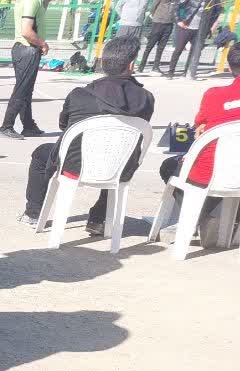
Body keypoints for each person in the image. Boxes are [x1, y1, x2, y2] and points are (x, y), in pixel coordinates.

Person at [17, 36, 154, 234]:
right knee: (120, 153)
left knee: (41, 154)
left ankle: (33, 212)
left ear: (103, 62)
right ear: (131, 65)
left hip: (74, 165)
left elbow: (64, 126)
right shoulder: (146, 99)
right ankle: (99, 219)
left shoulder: (79, 94)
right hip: (119, 167)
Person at [158, 42, 240, 247]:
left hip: (214, 173)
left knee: (170, 166)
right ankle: (227, 221)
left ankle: (200, 216)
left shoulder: (214, 95)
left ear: (230, 67)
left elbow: (200, 126)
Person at [0, 0, 50, 139]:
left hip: (28, 50)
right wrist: (43, 44)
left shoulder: (38, 2)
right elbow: (26, 31)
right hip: (27, 50)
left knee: (26, 90)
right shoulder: (32, 1)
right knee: (22, 90)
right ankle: (6, 126)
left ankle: (28, 126)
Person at [139, 0, 181, 73]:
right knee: (150, 46)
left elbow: (177, 8)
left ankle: (156, 67)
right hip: (158, 22)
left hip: (169, 24)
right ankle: (141, 66)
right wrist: (155, 16)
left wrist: (174, 18)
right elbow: (153, 6)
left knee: (161, 47)